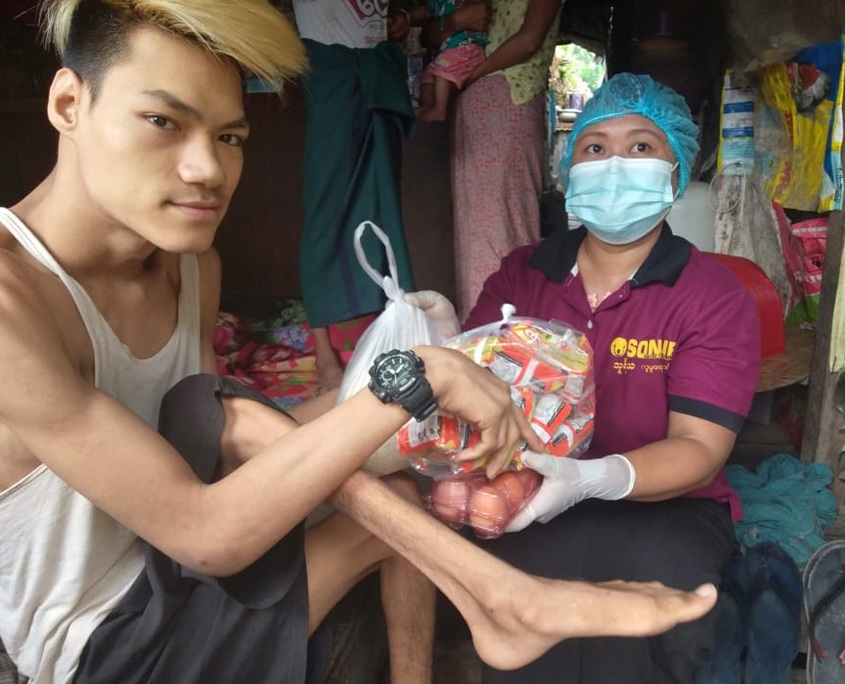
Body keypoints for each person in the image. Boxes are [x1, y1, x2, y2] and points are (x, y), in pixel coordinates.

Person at [0, 2, 721, 681]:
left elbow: (210, 448)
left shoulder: (191, 266)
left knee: (326, 441)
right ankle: (502, 597)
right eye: (163, 121)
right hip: (117, 646)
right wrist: (418, 377)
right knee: (232, 405)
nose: (207, 170)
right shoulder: (12, 300)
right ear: (69, 103)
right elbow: (206, 529)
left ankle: (465, 631)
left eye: (229, 137)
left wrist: (409, 414)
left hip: (198, 574)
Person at [409, 73, 762, 683]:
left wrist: (590, 477)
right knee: (517, 618)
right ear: (567, 167)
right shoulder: (524, 272)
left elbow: (700, 449)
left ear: (676, 171)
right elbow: (477, 397)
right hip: (528, 490)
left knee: (639, 634)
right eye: (594, 147)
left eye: (642, 147)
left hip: (668, 510)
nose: (615, 164)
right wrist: (446, 347)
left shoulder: (712, 294)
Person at [291, 0, 419, 392]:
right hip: (331, 75)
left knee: (383, 213)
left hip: (377, 75)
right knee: (325, 212)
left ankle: (392, 335)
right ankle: (324, 355)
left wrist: (402, 20)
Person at [446, 0, 565, 319]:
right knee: (476, 231)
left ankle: (512, 335)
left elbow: (529, 40)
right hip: (479, 101)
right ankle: (481, 331)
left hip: (509, 96)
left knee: (505, 223)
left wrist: (471, 75)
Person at [408, 0, 489, 123]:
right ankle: (427, 106)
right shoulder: (441, 3)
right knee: (428, 74)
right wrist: (405, 16)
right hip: (449, 51)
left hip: (467, 47)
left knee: (442, 70)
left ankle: (439, 109)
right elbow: (425, 12)